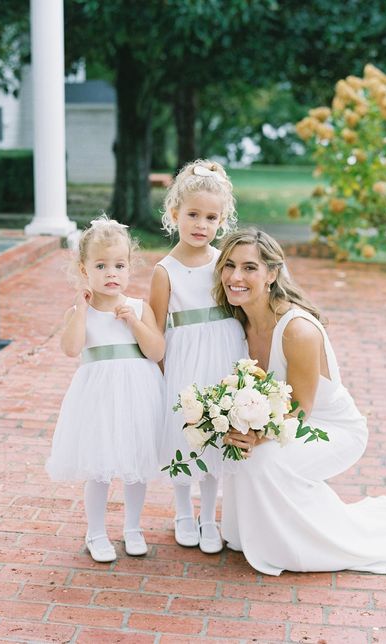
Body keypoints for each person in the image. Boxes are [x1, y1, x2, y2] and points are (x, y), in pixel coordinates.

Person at [213, 228, 386, 575]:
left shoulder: (297, 329)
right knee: (243, 454)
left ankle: (315, 544)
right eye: (229, 265)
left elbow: (300, 408)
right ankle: (252, 534)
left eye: (249, 268)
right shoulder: (236, 322)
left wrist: (257, 435)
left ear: (272, 274)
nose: (236, 277)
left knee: (262, 460)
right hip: (288, 420)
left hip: (333, 429)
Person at [46, 216, 165, 562]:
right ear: (84, 270)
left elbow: (156, 351)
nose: (111, 273)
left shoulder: (140, 308)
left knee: (137, 463)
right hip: (98, 397)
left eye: (119, 265)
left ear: (129, 268)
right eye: (101, 265)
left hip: (138, 394)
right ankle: (96, 531)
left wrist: (134, 322)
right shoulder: (79, 311)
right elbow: (71, 348)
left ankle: (132, 527)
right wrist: (81, 310)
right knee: (99, 467)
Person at [149, 160, 247, 554]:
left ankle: (209, 515)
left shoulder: (224, 261)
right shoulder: (164, 270)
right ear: (174, 214)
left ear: (222, 220)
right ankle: (181, 512)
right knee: (184, 435)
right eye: (193, 215)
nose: (201, 225)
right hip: (185, 358)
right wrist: (161, 375)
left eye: (211, 217)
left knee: (215, 433)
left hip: (223, 352)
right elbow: (155, 330)